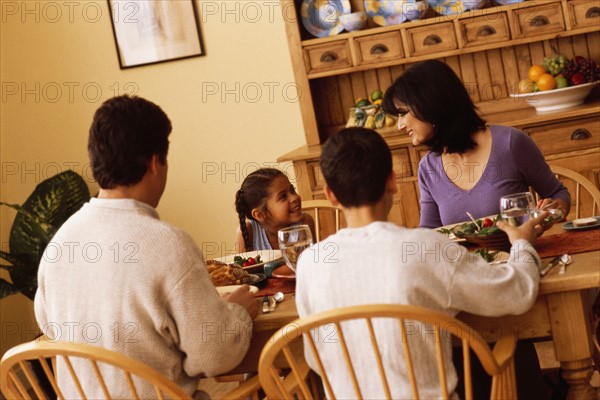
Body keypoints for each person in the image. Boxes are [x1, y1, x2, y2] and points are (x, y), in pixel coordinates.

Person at [295, 127, 548, 399]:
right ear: (391, 182)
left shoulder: (310, 262)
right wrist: (522, 243)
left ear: (330, 194)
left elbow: (316, 359)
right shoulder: (426, 247)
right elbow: (516, 294)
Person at [34, 95, 258, 399]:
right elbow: (212, 358)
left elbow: (49, 326)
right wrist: (238, 313)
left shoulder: (59, 243)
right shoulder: (168, 244)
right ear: (155, 163)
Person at [382, 59, 571, 229]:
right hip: (463, 266)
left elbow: (558, 194)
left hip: (520, 260)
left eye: (402, 113)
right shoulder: (428, 167)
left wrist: (554, 210)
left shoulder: (511, 143)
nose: (400, 125)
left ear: (430, 105)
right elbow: (430, 232)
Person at [234, 168, 315, 252]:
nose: (294, 197)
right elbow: (241, 265)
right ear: (260, 214)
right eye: (283, 196)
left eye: (292, 190)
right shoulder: (247, 232)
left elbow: (308, 262)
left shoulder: (304, 222)